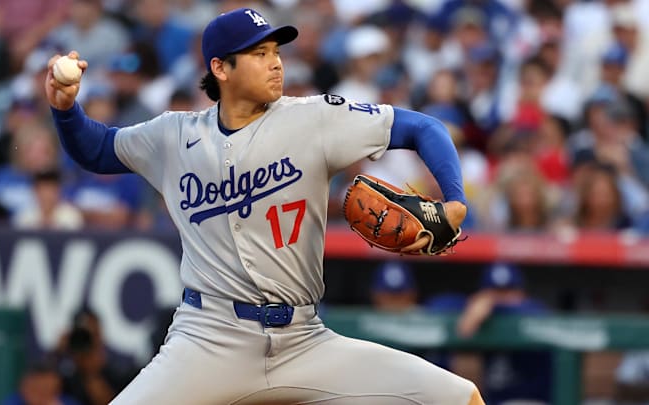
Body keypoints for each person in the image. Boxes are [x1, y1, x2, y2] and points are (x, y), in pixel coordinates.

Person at [45, 7, 483, 404]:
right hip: (209, 339)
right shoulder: (172, 136)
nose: (275, 62)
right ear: (220, 68)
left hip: (305, 340)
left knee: (460, 399)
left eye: (276, 50)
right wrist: (66, 109)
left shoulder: (313, 118)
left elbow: (423, 128)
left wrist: (455, 200)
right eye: (258, 53)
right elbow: (98, 149)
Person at [457, 263, 551, 405]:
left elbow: (535, 312)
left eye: (508, 291)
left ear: (522, 293)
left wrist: (492, 307)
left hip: (531, 399)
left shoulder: (533, 311)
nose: (500, 297)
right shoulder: (474, 311)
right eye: (494, 292)